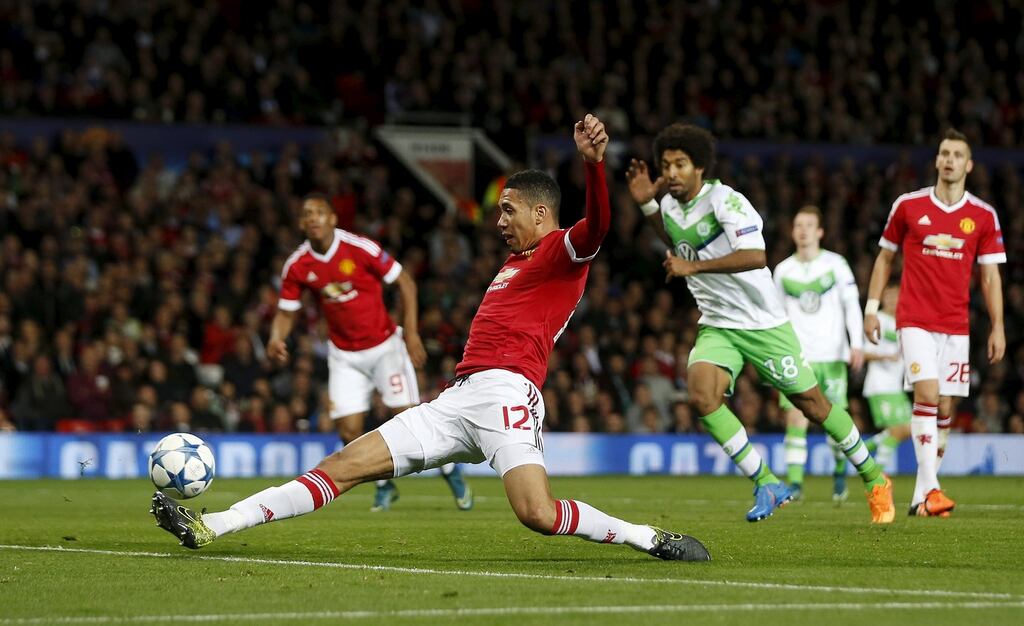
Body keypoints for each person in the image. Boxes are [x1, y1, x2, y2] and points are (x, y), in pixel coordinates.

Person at [151, 114, 711, 562]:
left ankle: (646, 538)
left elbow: (600, 228)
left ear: (542, 214)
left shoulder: (561, 250)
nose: (500, 220)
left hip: (508, 396)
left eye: (509, 210)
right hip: (457, 398)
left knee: (537, 515)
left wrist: (593, 167)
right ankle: (211, 526)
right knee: (342, 464)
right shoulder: (513, 263)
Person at [626, 122, 894, 523]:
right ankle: (767, 480)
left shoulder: (726, 202)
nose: (672, 173)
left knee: (815, 406)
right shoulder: (668, 205)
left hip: (762, 323)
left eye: (681, 163)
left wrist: (692, 266)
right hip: (718, 323)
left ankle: (874, 479)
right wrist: (648, 204)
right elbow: (676, 239)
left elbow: (755, 255)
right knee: (701, 396)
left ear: (700, 167)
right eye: (666, 165)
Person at [266, 193, 473, 512]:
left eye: (319, 212)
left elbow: (405, 282)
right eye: (307, 214)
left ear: (333, 219)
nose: (313, 218)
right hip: (344, 355)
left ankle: (450, 472)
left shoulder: (359, 248)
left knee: (408, 420)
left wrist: (412, 332)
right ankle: (384, 486)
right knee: (348, 430)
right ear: (300, 223)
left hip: (385, 347)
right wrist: (276, 337)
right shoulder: (297, 265)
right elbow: (286, 311)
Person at [864, 128, 1005, 517]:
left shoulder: (983, 215)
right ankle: (933, 490)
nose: (949, 160)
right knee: (926, 393)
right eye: (944, 153)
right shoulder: (908, 206)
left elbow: (991, 276)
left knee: (944, 405)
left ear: (969, 165)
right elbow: (884, 258)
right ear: (937, 160)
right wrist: (872, 307)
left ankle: (921, 495)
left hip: (956, 324)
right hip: (914, 319)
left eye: (957, 155)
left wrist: (998, 326)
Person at [772, 205, 864, 503]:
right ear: (792, 231)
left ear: (820, 231)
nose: (803, 230)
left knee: (833, 420)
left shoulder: (836, 265)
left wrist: (857, 343)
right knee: (795, 418)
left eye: (809, 225)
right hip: (796, 358)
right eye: (798, 224)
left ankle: (839, 472)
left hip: (832, 355)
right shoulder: (783, 270)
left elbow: (851, 304)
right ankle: (796, 484)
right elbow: (775, 315)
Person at [861, 285, 912, 473]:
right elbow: (864, 353)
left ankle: (860, 451)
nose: (892, 301)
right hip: (879, 384)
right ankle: (879, 474)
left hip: (895, 386)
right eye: (888, 297)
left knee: (909, 429)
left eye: (895, 297)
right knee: (899, 429)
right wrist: (885, 357)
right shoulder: (877, 320)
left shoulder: (903, 323)